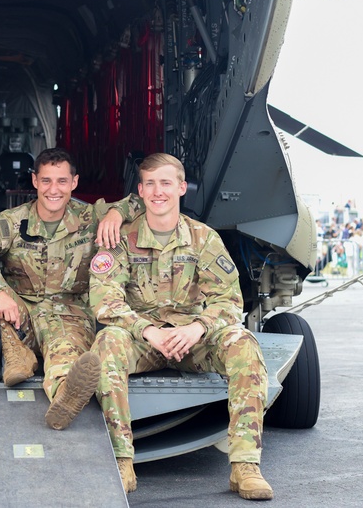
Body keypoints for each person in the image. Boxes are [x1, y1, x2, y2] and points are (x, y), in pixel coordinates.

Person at [88, 153, 271, 500]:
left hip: (192, 338)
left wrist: (198, 328)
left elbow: (229, 300)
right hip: (143, 338)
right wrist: (147, 331)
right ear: (140, 191)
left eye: (166, 183)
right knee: (108, 342)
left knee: (242, 343)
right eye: (151, 184)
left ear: (182, 188)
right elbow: (105, 299)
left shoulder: (204, 238)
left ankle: (245, 466)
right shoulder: (119, 239)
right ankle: (122, 460)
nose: (159, 192)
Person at [0, 148, 117, 430]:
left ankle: (64, 397)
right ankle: (13, 349)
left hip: (68, 314)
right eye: (47, 181)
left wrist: (116, 212)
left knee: (65, 353)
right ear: (35, 182)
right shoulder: (15, 221)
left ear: (74, 183)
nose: (54, 189)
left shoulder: (91, 218)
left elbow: (143, 202)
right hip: (17, 315)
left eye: (62, 181)